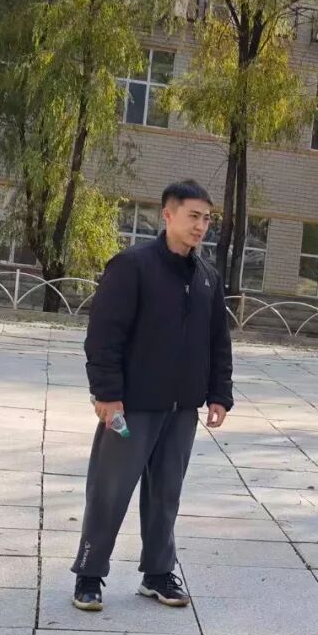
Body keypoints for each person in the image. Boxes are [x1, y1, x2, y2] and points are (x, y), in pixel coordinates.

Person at [72, 180, 233, 611]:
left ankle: (158, 574)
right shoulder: (132, 266)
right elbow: (103, 336)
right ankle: (89, 574)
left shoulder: (207, 278)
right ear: (168, 214)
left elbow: (219, 342)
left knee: (166, 494)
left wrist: (219, 394)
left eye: (207, 219)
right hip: (131, 407)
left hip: (182, 409)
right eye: (193, 216)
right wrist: (107, 394)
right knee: (109, 491)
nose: (200, 226)